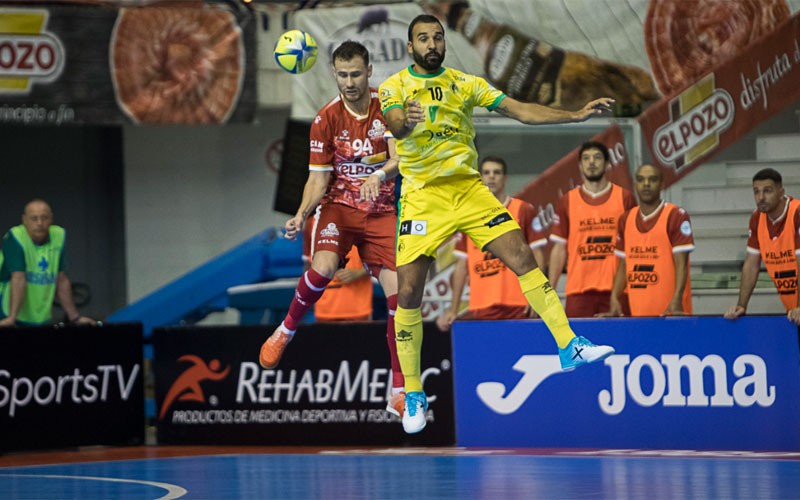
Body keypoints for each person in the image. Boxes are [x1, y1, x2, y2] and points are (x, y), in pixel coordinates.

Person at [379, 14, 616, 434]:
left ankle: (568, 345)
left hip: (469, 191)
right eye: (423, 39)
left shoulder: (464, 83)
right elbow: (396, 122)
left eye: (437, 37)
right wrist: (407, 121)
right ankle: (413, 392)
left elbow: (520, 109)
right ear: (410, 46)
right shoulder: (393, 86)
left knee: (524, 257)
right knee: (409, 290)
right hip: (422, 199)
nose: (432, 43)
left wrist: (574, 115)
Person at [258, 41, 406, 417]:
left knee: (399, 296)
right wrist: (301, 213)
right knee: (322, 268)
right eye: (342, 75)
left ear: (369, 70)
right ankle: (286, 330)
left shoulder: (386, 106)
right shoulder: (325, 119)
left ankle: (400, 387)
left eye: (356, 73)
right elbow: (316, 181)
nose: (349, 81)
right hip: (339, 208)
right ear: (334, 74)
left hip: (381, 211)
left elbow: (398, 159)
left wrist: (378, 174)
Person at [436, 156, 547, 331]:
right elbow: (461, 266)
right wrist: (453, 308)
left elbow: (538, 255)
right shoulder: (469, 215)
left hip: (519, 304)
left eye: (497, 172)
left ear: (505, 178)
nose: (492, 177)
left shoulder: (523, 209)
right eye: (486, 173)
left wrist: (539, 297)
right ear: (480, 178)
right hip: (482, 305)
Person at [547, 141, 637, 317]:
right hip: (579, 291)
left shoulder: (624, 198)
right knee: (579, 343)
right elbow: (559, 248)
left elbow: (633, 247)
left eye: (597, 158)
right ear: (580, 166)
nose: (592, 163)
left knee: (618, 343)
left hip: (617, 292)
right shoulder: (567, 201)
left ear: (607, 164)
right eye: (586, 159)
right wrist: (549, 290)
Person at [599, 164, 694, 317]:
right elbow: (623, 264)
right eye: (641, 180)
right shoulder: (626, 219)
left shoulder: (675, 215)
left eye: (652, 179)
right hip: (638, 314)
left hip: (671, 313)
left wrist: (677, 297)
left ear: (662, 184)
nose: (646, 184)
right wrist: (614, 297)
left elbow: (681, 263)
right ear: (635, 184)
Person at [0, 199, 96, 327]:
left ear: (51, 219)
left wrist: (75, 318)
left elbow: (61, 279)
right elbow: (18, 277)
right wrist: (11, 318)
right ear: (24, 220)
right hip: (6, 309)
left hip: (40, 315)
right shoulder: (15, 237)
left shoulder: (58, 236)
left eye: (44, 218)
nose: (40, 223)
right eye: (34, 218)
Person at [724, 168, 800, 325]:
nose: (761, 197)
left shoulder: (797, 213)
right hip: (793, 310)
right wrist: (741, 305)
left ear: (781, 192)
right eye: (756, 192)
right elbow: (751, 265)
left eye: (767, 191)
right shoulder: (757, 218)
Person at [303, 216, 373, 322]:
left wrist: (359, 273)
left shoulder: (366, 218)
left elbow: (381, 260)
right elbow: (308, 264)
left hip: (357, 307)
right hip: (324, 308)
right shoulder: (312, 221)